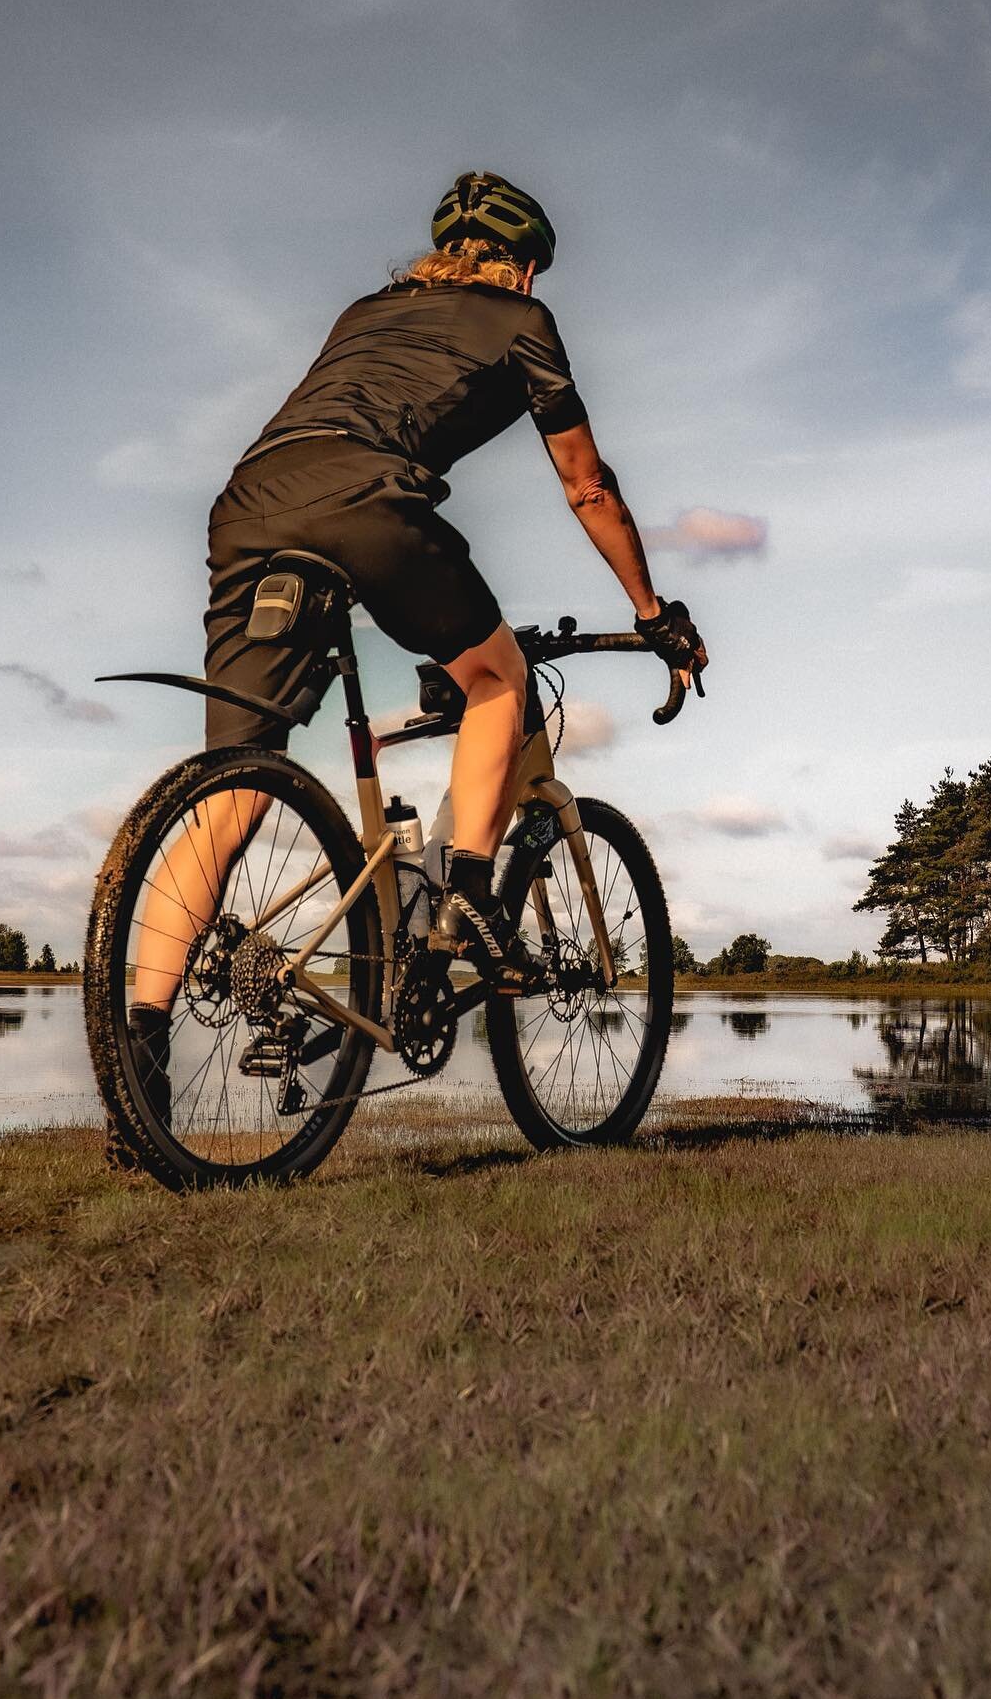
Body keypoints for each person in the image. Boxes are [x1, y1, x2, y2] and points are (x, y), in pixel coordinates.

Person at [126, 172, 707, 1100]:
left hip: (245, 506)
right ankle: (469, 901)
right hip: (365, 499)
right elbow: (587, 484)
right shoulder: (523, 319)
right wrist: (654, 613)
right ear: (520, 267)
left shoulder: (366, 311)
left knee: (230, 787)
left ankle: (140, 1054)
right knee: (497, 677)